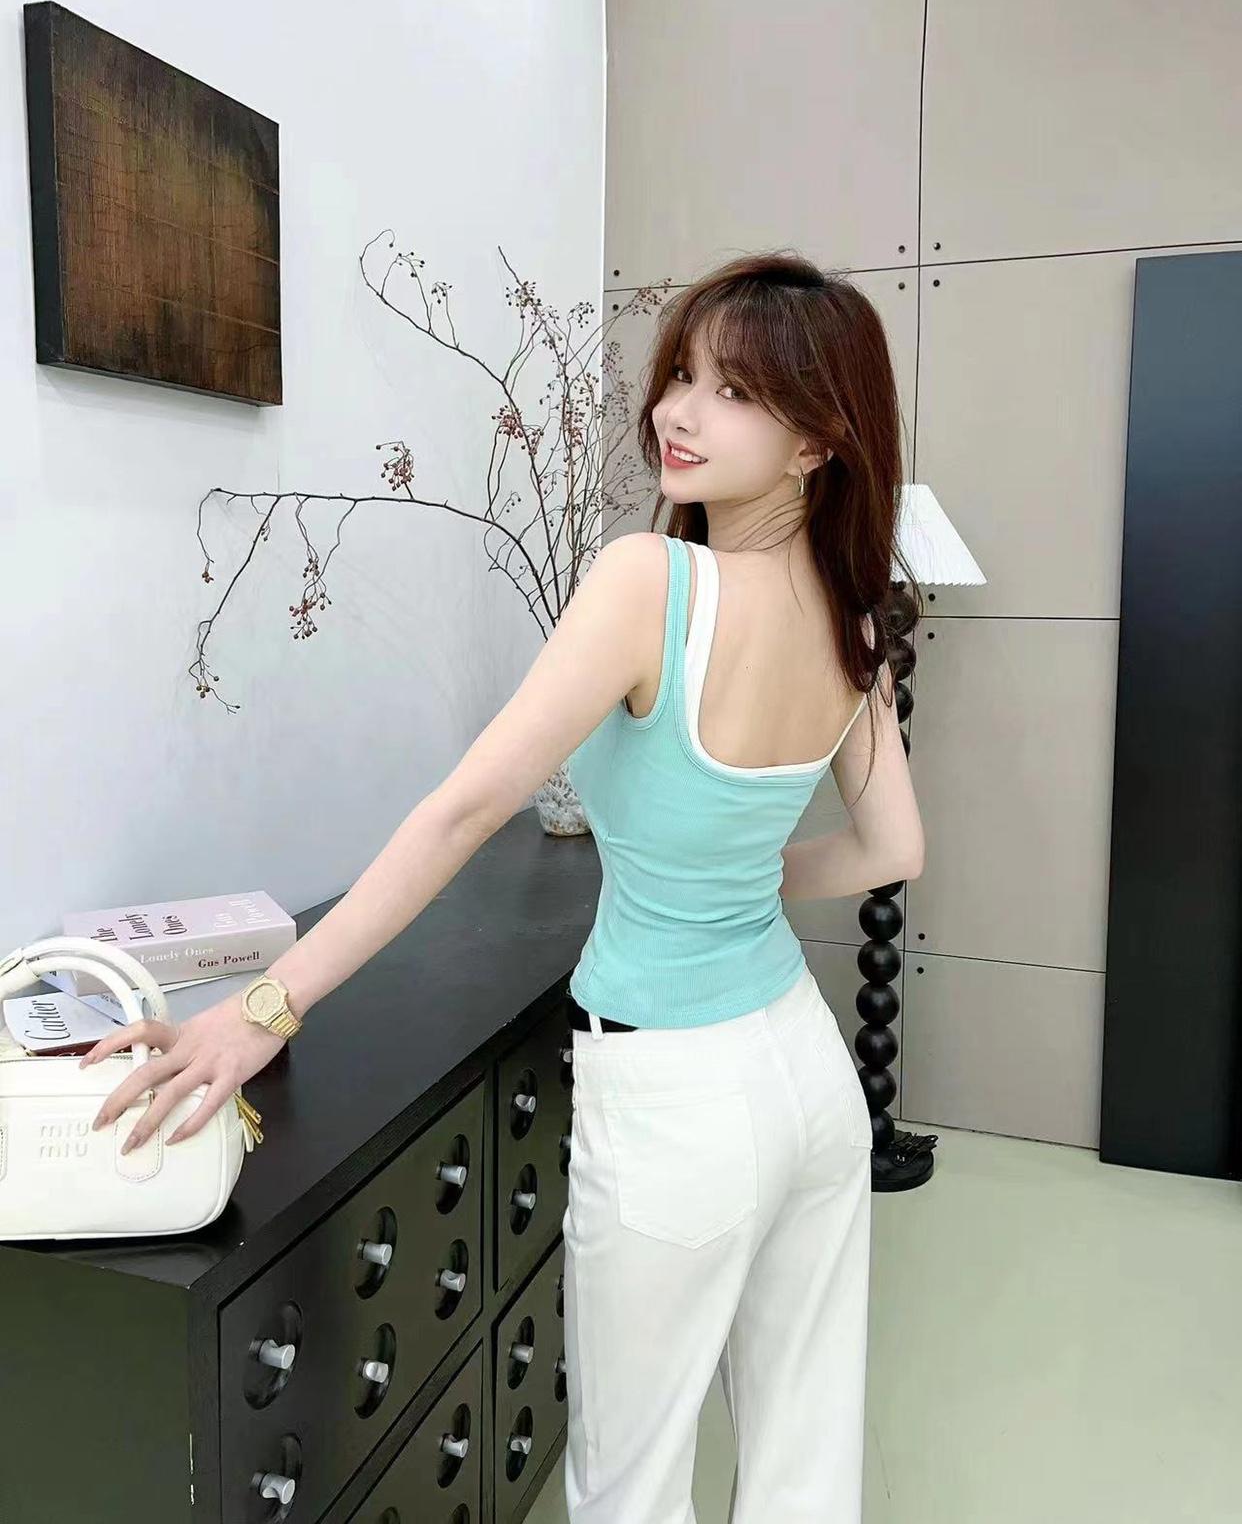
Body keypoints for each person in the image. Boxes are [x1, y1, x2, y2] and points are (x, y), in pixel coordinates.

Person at [79, 249, 925, 1522]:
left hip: (676, 1098)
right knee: (805, 1466)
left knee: (630, 1482)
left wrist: (262, 1011)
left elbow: (465, 810)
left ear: (817, 442)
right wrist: (732, 876)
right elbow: (891, 849)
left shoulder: (650, 581)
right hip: (805, 1075)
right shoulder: (854, 615)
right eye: (682, 375)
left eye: (734, 392)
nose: (679, 413)